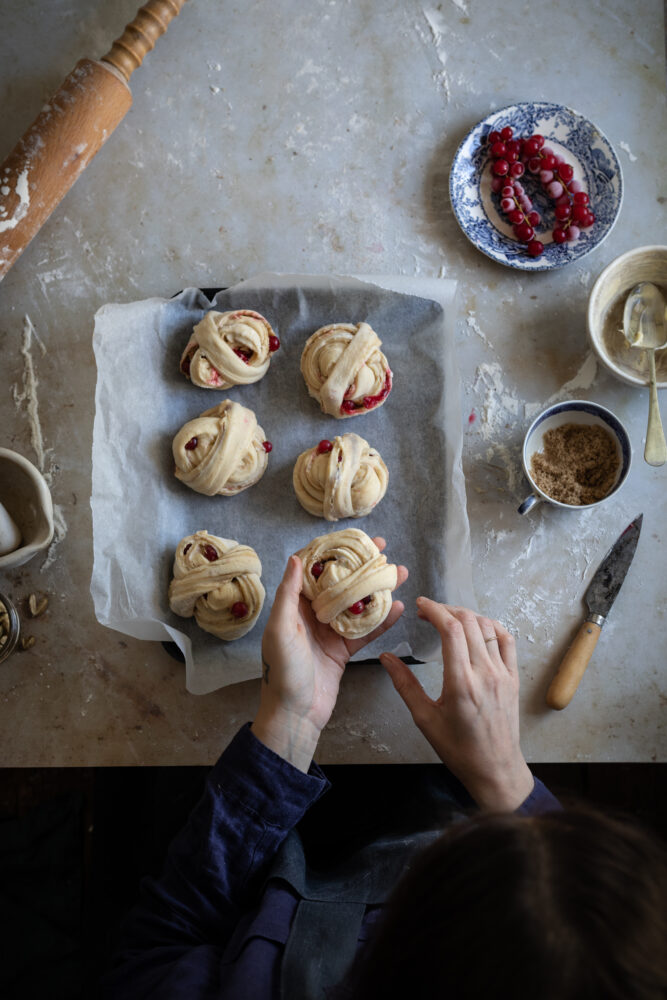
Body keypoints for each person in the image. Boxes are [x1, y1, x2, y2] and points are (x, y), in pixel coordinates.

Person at [103, 544, 667, 999]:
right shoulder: (604, 958)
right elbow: (583, 916)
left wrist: (286, 723)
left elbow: (158, 947)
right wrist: (506, 781)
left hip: (248, 879)